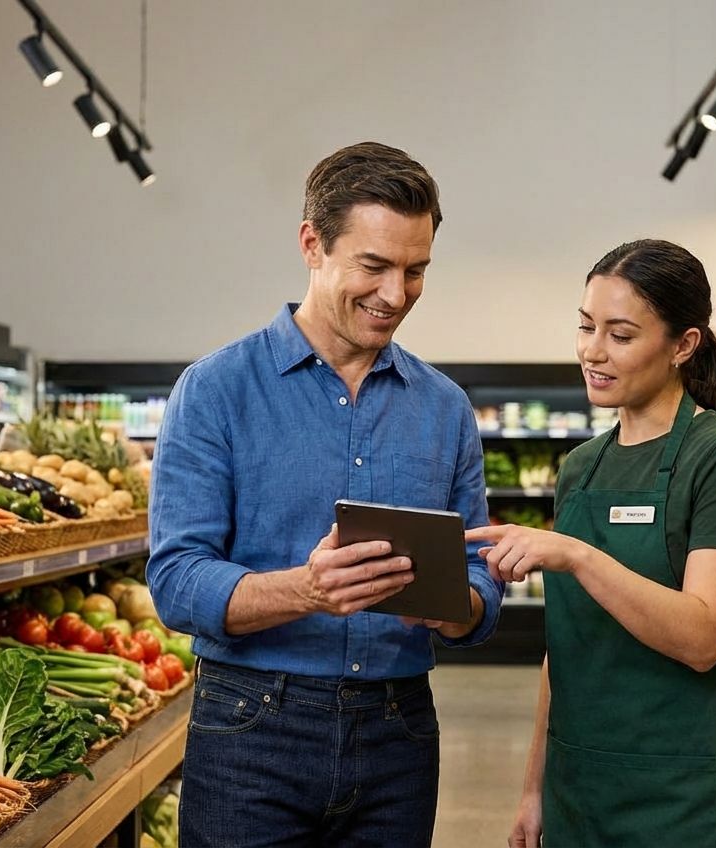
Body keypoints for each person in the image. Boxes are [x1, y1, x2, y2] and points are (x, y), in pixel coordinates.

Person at [147, 141, 502, 848]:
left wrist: (453, 607)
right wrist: (306, 589)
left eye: (416, 270)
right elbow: (176, 581)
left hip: (399, 728)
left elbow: (478, 583)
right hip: (252, 728)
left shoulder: (445, 407)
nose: (395, 294)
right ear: (313, 244)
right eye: (373, 266)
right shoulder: (217, 390)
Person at [468, 239, 716, 847]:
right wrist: (535, 788)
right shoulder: (581, 467)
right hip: (581, 789)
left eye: (621, 334)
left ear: (683, 345)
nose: (593, 351)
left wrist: (576, 555)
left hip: (689, 796)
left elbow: (702, 638)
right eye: (586, 327)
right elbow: (565, 650)